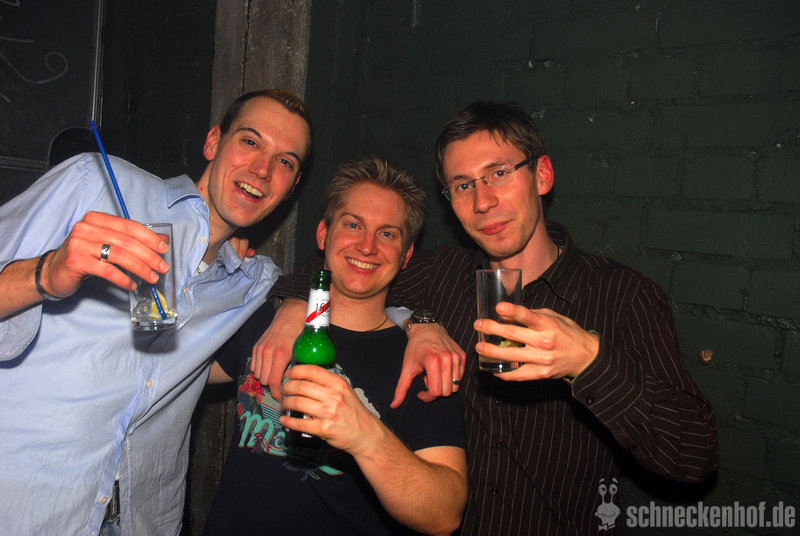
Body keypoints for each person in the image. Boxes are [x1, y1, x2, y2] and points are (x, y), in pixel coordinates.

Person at [257, 101, 719, 535]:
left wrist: (589, 362)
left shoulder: (621, 294)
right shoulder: (441, 275)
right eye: (463, 185)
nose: (482, 202)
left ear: (542, 175)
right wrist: (301, 311)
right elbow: (346, 266)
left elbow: (695, 457)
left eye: (498, 173)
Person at [0, 89, 312, 535]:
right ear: (213, 142)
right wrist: (47, 273)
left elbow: (354, 283)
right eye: (250, 141)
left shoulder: (249, 282)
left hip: (138, 521)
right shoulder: (96, 185)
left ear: (292, 187)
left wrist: (298, 305)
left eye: (285, 162)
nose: (262, 169)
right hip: (23, 509)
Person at [204, 157, 468, 535]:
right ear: (323, 234)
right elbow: (170, 374)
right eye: (353, 225)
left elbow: (445, 513)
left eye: (387, 234)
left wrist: (365, 436)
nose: (367, 246)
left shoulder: (422, 362)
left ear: (406, 255)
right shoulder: (266, 323)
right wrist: (209, 252)